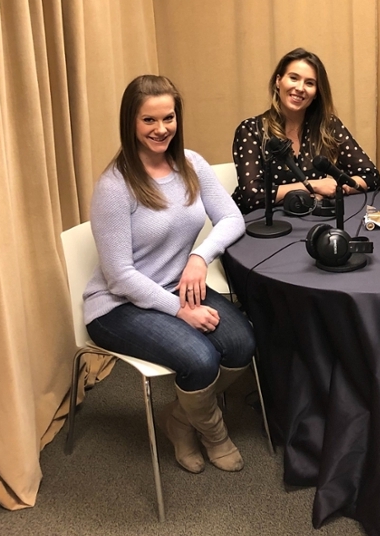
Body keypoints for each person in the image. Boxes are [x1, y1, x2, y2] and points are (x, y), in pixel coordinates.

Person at [84, 75, 256, 475]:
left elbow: (232, 218)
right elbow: (120, 276)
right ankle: (213, 433)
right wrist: (181, 311)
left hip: (177, 285)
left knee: (242, 343)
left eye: (168, 117)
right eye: (148, 120)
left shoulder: (191, 164)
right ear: (131, 122)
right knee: (200, 359)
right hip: (118, 304)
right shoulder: (115, 185)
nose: (161, 129)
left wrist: (199, 256)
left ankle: (178, 418)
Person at [231, 48, 380, 214]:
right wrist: (314, 186)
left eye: (309, 83)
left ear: (317, 92)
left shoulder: (328, 125)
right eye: (294, 78)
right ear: (278, 81)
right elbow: (253, 196)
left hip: (312, 219)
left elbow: (371, 176)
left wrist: (336, 187)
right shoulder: (251, 129)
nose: (300, 88)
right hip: (260, 224)